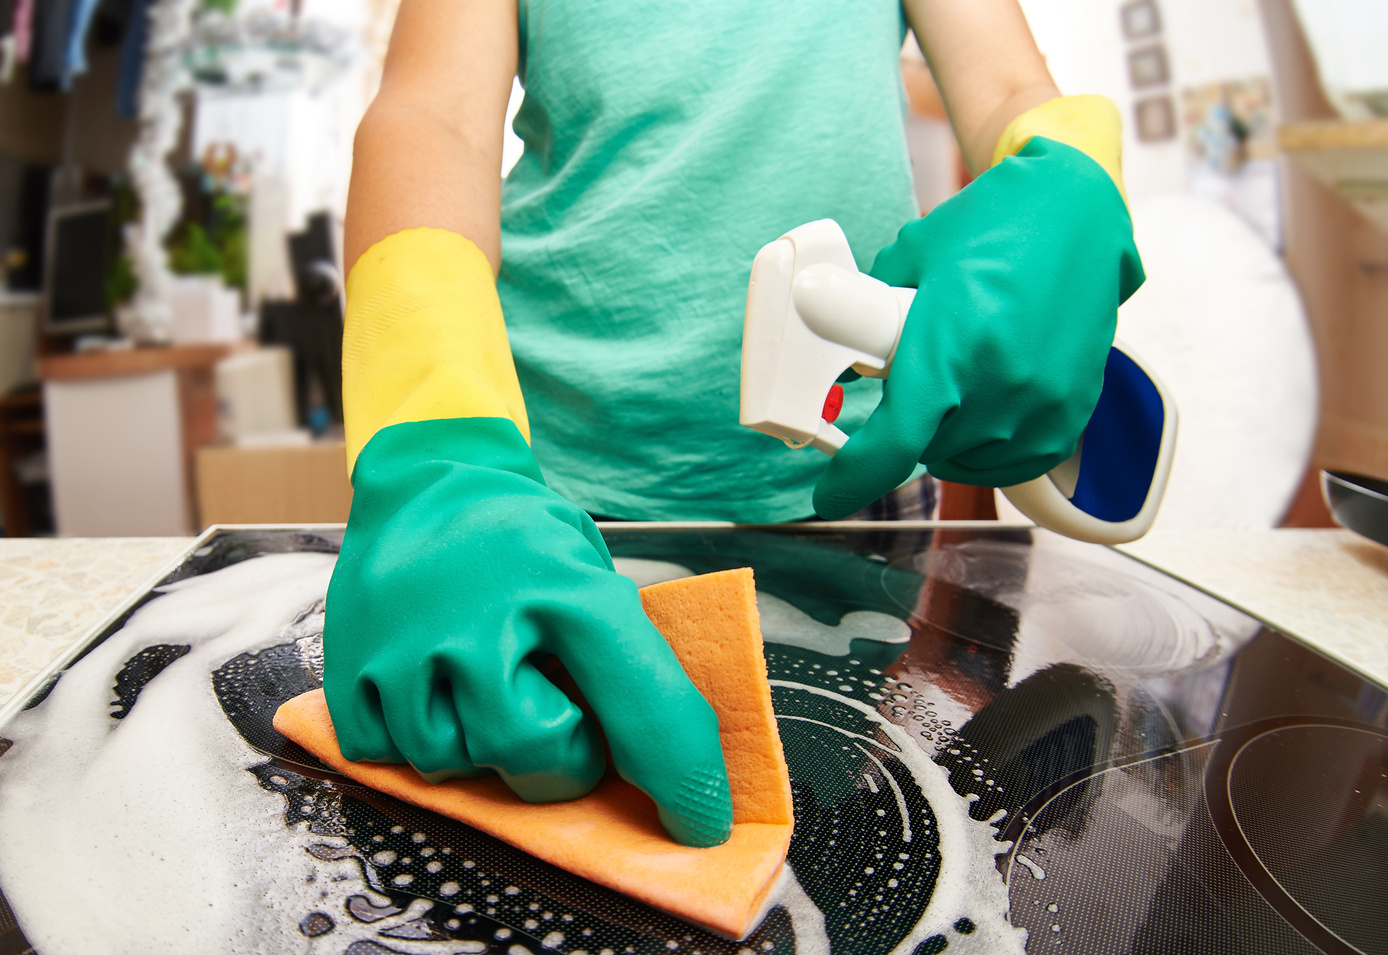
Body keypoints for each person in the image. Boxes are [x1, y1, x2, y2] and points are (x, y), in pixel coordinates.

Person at [322, 0, 1143, 847]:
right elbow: (436, 120)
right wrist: (438, 446)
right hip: (553, 491)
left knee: (822, 818)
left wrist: (1060, 177)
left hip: (858, 469)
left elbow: (1006, 82)